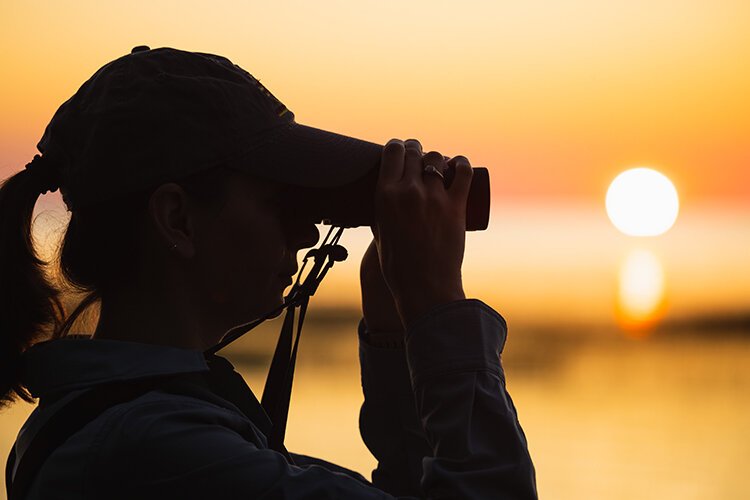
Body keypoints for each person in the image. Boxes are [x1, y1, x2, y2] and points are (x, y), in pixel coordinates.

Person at [0, 47, 537, 499]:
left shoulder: (137, 418)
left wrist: (396, 329)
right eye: (282, 201)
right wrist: (436, 303)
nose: (306, 233)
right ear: (178, 220)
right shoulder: (150, 445)